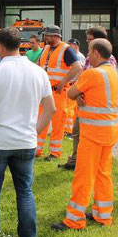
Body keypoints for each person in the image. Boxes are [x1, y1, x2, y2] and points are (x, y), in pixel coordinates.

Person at [0, 28, 56, 237]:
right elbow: (51, 109)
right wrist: (35, 132)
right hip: (25, 142)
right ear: (21, 45)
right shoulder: (39, 72)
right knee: (25, 192)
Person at [52, 38, 118, 231]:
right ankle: (102, 215)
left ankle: (74, 220)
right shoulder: (112, 73)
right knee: (103, 174)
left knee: (83, 176)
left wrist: (79, 95)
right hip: (109, 131)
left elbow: (70, 93)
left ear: (97, 53)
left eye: (90, 51)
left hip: (93, 133)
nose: (88, 55)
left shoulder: (92, 74)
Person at [59, 28, 116, 170]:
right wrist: (78, 93)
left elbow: (98, 84)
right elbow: (80, 82)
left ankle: (81, 163)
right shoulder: (92, 61)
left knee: (88, 140)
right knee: (77, 133)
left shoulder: (107, 63)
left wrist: (77, 92)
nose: (86, 42)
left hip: (95, 112)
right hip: (84, 105)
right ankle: (75, 160)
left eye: (89, 39)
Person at [36, 25, 82, 161]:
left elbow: (77, 67)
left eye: (47, 36)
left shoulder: (66, 49)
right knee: (40, 121)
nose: (45, 38)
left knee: (58, 123)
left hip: (58, 91)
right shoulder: (46, 48)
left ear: (56, 36)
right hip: (45, 91)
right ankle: (37, 149)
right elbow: (40, 65)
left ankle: (54, 153)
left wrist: (63, 81)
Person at [63, 38, 86, 135]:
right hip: (72, 84)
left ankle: (68, 130)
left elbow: (80, 70)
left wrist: (77, 84)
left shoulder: (78, 56)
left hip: (74, 84)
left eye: (70, 44)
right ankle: (68, 129)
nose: (68, 46)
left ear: (76, 45)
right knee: (70, 109)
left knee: (70, 109)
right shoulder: (74, 55)